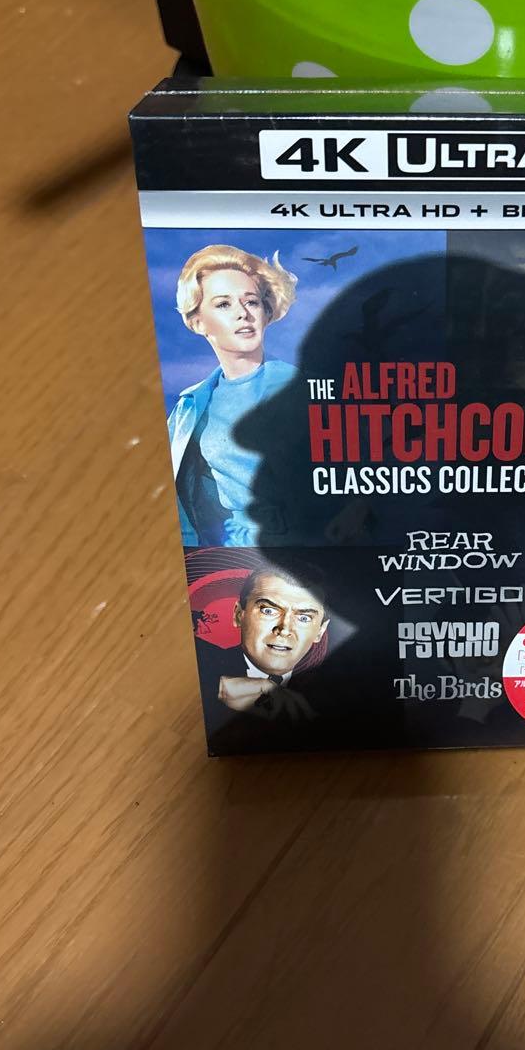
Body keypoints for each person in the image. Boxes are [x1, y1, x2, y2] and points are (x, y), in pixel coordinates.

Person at [168, 245, 299, 546]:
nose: (243, 314)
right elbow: (181, 498)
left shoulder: (301, 388)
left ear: (265, 312)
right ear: (198, 321)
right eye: (224, 304)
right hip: (229, 558)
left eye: (251, 302)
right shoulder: (192, 405)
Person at [196, 562, 330, 725]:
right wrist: (216, 687)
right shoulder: (200, 662)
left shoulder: (334, 694)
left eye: (304, 618)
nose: (284, 629)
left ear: (320, 631)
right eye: (268, 610)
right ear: (238, 615)